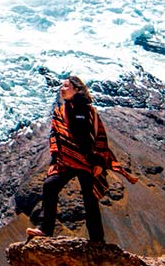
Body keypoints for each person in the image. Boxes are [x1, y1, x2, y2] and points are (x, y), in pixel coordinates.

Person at [26, 75, 137, 243]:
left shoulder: (89, 111)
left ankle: (97, 240)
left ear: (76, 89)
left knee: (90, 199)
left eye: (65, 86)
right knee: (50, 186)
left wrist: (99, 162)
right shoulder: (60, 111)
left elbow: (100, 136)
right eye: (61, 87)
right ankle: (45, 229)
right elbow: (54, 137)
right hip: (66, 161)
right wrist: (55, 161)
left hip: (88, 162)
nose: (62, 89)